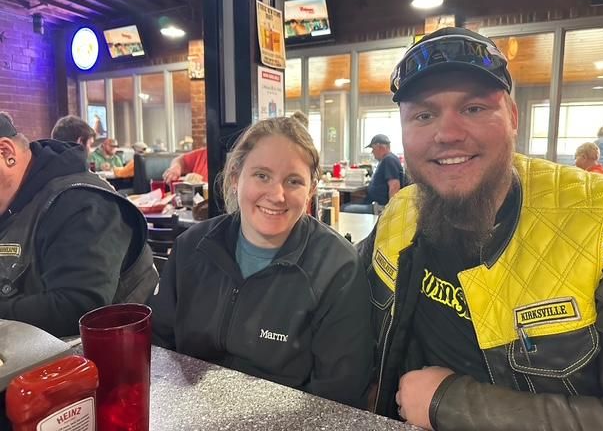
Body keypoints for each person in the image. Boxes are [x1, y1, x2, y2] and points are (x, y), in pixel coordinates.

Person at [358, 27, 603, 430]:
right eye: (423, 115)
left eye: (473, 108)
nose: (448, 134)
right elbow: (338, 295)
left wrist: (449, 403)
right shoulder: (400, 213)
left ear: (512, 117)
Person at [150, 114, 373, 408]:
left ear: (311, 190)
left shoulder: (338, 268)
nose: (277, 195)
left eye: (294, 181)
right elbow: (158, 347)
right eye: (262, 176)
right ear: (235, 178)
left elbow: (339, 397)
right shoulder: (191, 247)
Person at [0, 112, 158, 337]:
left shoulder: (83, 203)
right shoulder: (14, 203)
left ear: (6, 152)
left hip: (115, 350)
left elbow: (77, 308)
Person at [342, 134, 403, 213]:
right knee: (347, 205)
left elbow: (394, 186)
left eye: (373, 149)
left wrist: (391, 212)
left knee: (344, 208)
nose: (372, 152)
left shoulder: (389, 160)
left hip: (380, 207)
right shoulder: (388, 159)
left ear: (380, 147)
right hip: (373, 203)